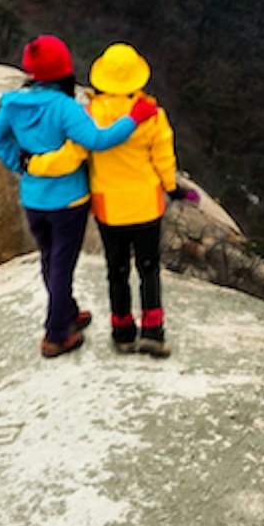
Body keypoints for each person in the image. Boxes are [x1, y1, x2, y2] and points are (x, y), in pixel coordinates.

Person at [0, 34, 157, 357]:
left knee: (50, 258)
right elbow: (97, 139)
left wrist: (20, 164)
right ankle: (56, 334)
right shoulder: (65, 108)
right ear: (64, 71)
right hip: (68, 201)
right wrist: (133, 119)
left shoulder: (14, 104)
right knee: (63, 264)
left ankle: (66, 310)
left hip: (34, 199)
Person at [85, 42, 182, 355]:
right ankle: (152, 330)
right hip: (145, 203)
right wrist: (171, 186)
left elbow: (81, 156)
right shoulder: (152, 116)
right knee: (149, 268)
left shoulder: (90, 115)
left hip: (108, 206)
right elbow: (164, 159)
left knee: (117, 270)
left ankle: (122, 330)